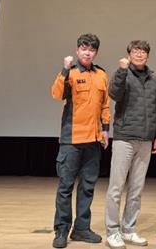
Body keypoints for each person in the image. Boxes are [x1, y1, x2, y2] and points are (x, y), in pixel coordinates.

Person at [50, 33, 110, 249]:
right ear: (77, 50)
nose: (87, 53)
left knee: (87, 187)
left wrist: (105, 130)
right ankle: (61, 230)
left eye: (92, 50)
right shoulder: (71, 73)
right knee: (65, 187)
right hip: (72, 140)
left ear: (96, 53)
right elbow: (57, 94)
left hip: (93, 140)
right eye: (84, 48)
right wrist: (64, 69)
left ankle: (81, 229)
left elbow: (105, 105)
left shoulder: (101, 74)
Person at [105, 40, 156, 249]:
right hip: (125, 137)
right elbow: (114, 94)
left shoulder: (154, 79)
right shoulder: (123, 73)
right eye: (135, 51)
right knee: (116, 187)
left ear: (147, 55)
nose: (139, 54)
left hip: (146, 140)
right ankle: (112, 232)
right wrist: (121, 71)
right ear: (129, 54)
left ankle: (129, 229)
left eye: (143, 51)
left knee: (136, 189)